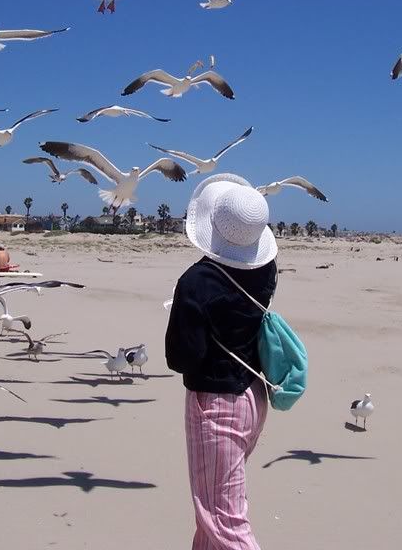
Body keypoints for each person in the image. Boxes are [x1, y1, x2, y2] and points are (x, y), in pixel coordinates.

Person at [166, 174, 278, 550]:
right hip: (252, 394)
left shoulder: (197, 282)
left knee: (224, 522)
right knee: (212, 514)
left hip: (217, 405)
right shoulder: (266, 270)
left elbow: (182, 357)